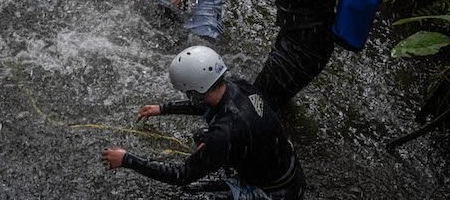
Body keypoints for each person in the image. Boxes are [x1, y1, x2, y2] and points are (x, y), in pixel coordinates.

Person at [101, 45, 305, 199]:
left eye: (188, 94)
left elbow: (181, 174)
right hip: (286, 166)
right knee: (202, 136)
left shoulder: (225, 132)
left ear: (196, 91)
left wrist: (127, 159)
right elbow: (203, 103)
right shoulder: (236, 85)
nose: (189, 97)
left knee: (189, 193)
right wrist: (163, 109)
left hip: (277, 192)